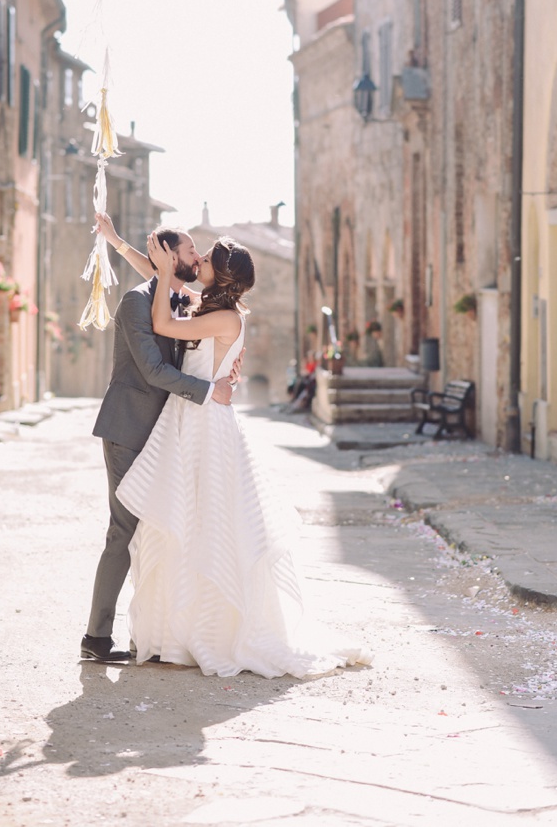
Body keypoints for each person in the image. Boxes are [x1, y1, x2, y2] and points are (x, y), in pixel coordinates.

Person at [99, 213, 371, 677]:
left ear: (219, 274)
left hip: (206, 425)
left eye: (203, 259)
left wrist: (165, 273)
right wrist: (118, 243)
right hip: (190, 419)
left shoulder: (223, 316)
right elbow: (159, 281)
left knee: (204, 524)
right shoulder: (211, 305)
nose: (196, 261)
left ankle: (208, 629)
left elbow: (162, 321)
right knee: (184, 519)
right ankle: (176, 629)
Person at [82, 221, 237, 665]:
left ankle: (149, 634)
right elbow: (153, 372)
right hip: (129, 431)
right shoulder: (135, 303)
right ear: (170, 257)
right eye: (190, 251)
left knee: (158, 533)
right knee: (124, 530)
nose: (195, 257)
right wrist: (210, 392)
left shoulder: (178, 300)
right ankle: (95, 638)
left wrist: (119, 243)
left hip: (164, 437)